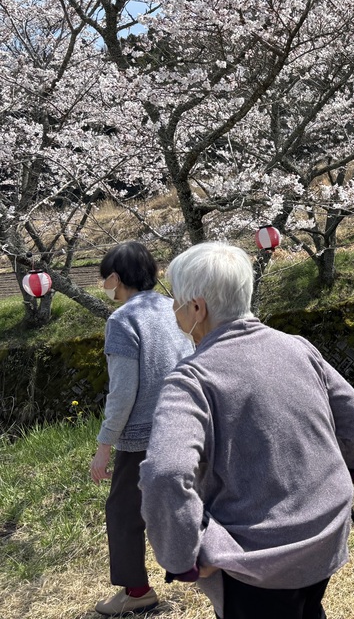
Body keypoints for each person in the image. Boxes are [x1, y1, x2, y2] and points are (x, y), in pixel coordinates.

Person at [139, 242, 354, 619]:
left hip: (255, 561)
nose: (173, 309)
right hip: (326, 534)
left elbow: (165, 474)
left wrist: (186, 559)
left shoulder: (191, 379)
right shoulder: (298, 348)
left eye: (176, 300)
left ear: (198, 308)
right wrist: (347, 472)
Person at [90, 241, 192, 616]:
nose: (105, 287)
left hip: (143, 437)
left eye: (105, 280)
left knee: (123, 512)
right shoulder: (173, 307)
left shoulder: (121, 320)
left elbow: (122, 393)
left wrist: (104, 446)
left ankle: (137, 592)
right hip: (187, 421)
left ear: (115, 278)